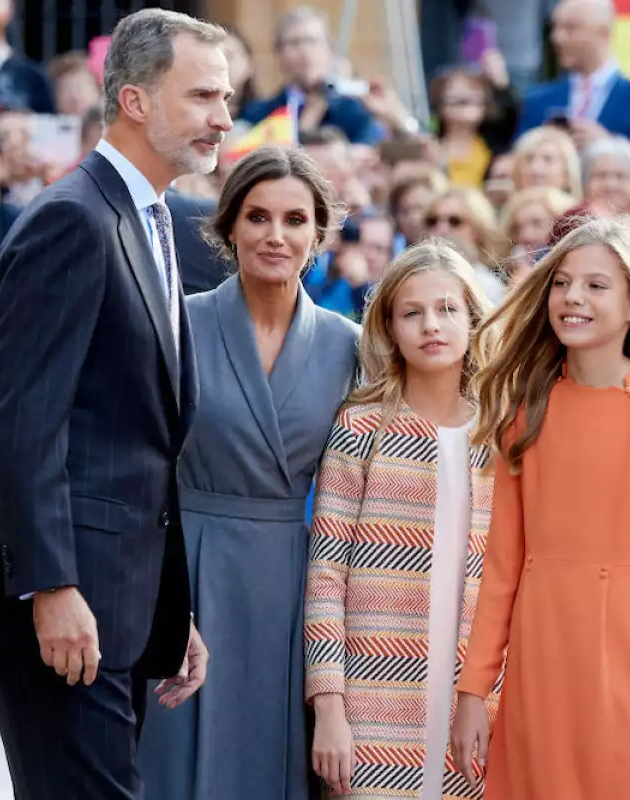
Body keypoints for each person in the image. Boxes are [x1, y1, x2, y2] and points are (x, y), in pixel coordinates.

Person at [0, 10, 234, 799]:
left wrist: (173, 608)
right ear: (134, 101)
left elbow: (135, 441)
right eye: (203, 95)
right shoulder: (72, 218)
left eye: (225, 97)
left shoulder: (155, 221)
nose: (223, 118)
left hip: (121, 601)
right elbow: (20, 426)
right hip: (66, 605)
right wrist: (51, 587)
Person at [450, 215, 630, 799]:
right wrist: (474, 691)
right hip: (538, 666)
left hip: (628, 668)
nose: (573, 297)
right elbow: (501, 569)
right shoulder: (526, 412)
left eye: (597, 285)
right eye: (563, 282)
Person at [138, 145, 358, 799]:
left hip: (295, 583)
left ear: (318, 234)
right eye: (258, 217)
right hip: (187, 572)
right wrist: (159, 597)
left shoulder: (351, 345)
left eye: (295, 220)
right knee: (176, 762)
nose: (275, 235)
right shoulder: (178, 320)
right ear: (229, 226)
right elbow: (142, 467)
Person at [303, 239, 503, 799]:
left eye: (446, 309)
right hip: (371, 700)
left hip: (479, 698)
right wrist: (330, 706)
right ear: (389, 327)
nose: (431, 326)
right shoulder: (361, 427)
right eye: (411, 313)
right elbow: (325, 576)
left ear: (472, 319)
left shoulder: (502, 436)